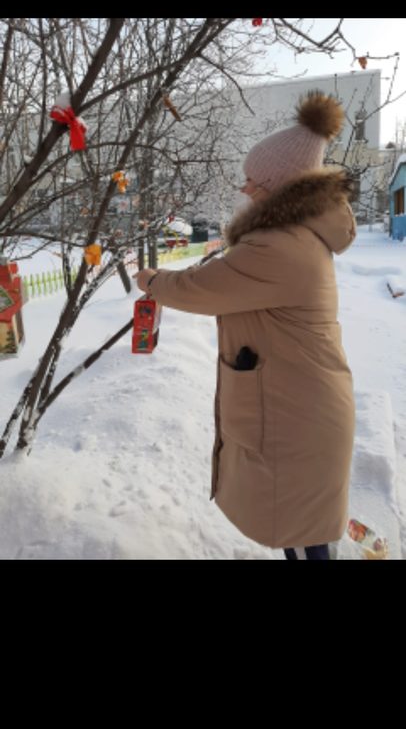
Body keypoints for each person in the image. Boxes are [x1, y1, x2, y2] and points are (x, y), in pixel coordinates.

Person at [136, 91, 356, 560]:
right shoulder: (295, 237)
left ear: (281, 188)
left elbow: (202, 288)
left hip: (295, 414)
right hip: (302, 404)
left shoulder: (279, 247)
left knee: (301, 532)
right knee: (305, 526)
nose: (245, 189)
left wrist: (153, 280)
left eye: (254, 180)